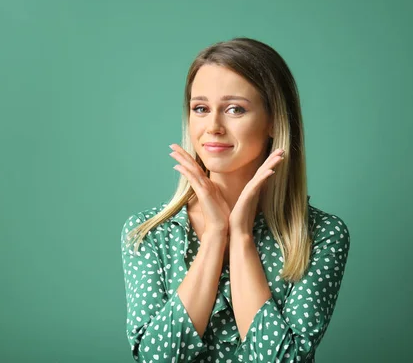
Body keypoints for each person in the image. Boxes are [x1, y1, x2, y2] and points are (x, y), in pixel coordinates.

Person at [120, 37, 351, 362]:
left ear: (273, 120)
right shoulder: (148, 233)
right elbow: (155, 359)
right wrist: (216, 234)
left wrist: (241, 236)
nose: (213, 126)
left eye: (234, 109)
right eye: (201, 108)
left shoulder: (321, 234)